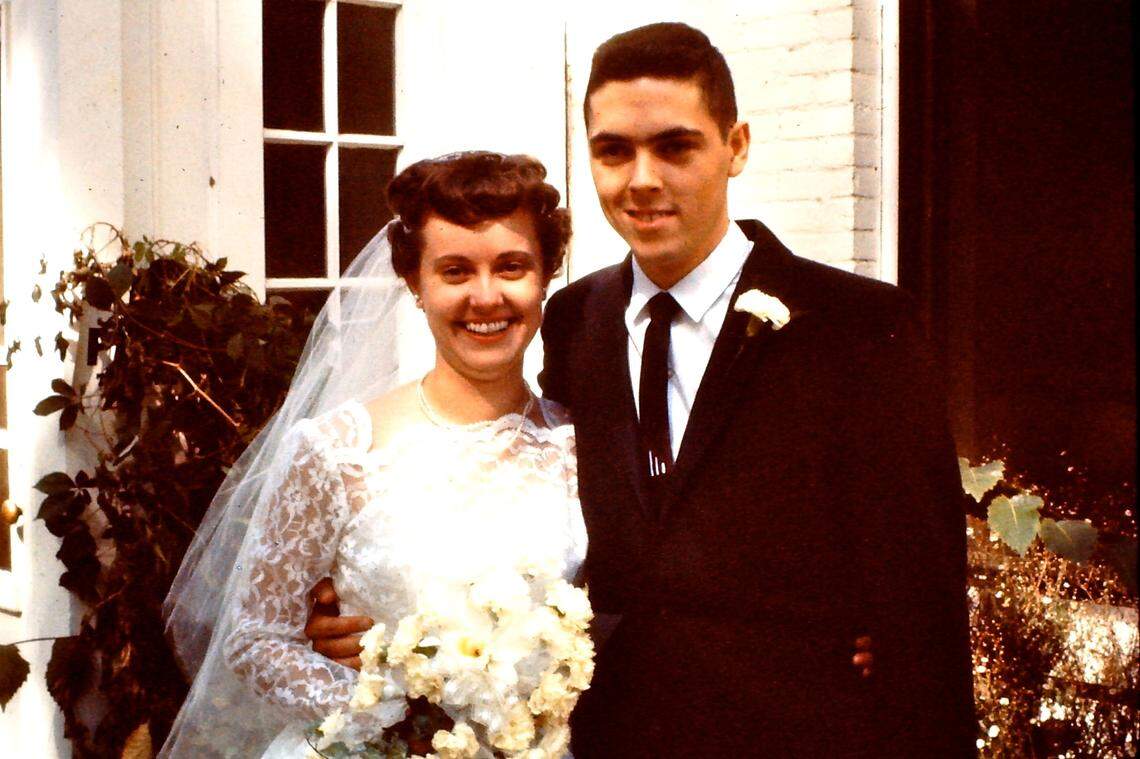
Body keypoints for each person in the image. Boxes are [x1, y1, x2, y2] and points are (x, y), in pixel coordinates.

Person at [309, 22, 975, 757]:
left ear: (737, 145)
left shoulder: (858, 324)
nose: (642, 178)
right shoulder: (573, 319)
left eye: (676, 146)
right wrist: (374, 610)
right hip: (612, 736)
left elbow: (925, 609)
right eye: (614, 150)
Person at [159, 151, 584, 758]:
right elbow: (255, 639)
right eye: (456, 271)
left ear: (545, 277)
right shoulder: (337, 450)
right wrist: (397, 723)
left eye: (512, 267)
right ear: (416, 285)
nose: (486, 297)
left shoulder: (580, 447)